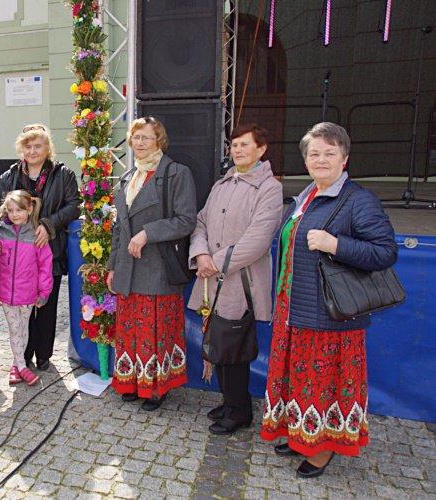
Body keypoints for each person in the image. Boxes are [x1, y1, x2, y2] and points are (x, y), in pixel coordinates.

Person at [260, 122, 398, 478]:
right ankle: (299, 433)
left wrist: (336, 244)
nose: (320, 159)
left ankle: (321, 448)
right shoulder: (305, 196)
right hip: (293, 310)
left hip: (329, 317)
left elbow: (384, 253)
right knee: (296, 378)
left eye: (329, 153)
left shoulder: (358, 199)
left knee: (321, 384)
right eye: (314, 153)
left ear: (345, 157)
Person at [188, 123, 283, 435]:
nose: (238, 150)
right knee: (220, 342)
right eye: (234, 145)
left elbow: (257, 239)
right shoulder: (222, 183)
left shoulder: (269, 188)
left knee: (234, 347)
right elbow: (200, 222)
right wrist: (200, 254)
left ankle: (240, 411)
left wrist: (213, 263)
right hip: (213, 277)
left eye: (245, 144)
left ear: (261, 149)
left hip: (240, 280)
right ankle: (229, 401)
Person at [106, 116, 197, 411]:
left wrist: (148, 233)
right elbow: (119, 227)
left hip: (158, 269)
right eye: (135, 138)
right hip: (128, 269)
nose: (140, 143)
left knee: (155, 331)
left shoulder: (176, 173)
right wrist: (112, 266)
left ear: (160, 140)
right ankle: (131, 381)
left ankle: (156, 387)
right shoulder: (127, 177)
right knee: (131, 330)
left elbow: (186, 221)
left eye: (146, 137)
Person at [0, 124, 80, 371]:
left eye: (37, 145)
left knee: (46, 306)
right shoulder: (10, 176)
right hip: (15, 257)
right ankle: (23, 356)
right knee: (20, 307)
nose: (32, 150)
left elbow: (74, 206)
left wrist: (49, 224)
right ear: (21, 149)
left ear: (47, 148)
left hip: (50, 251)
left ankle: (44, 354)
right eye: (27, 146)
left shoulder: (63, 175)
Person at [0, 190, 54, 386]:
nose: (14, 214)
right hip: (6, 293)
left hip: (28, 295)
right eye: (10, 210)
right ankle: (22, 367)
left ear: (30, 209)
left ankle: (17, 365)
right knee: (15, 330)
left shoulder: (36, 235)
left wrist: (44, 292)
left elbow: (45, 267)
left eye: (19, 210)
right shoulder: (1, 234)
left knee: (23, 330)